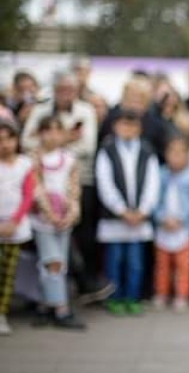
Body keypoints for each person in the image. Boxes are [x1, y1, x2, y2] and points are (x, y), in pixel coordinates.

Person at [21, 70, 109, 304]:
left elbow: (87, 147)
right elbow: (26, 142)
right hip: (44, 187)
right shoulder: (41, 111)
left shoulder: (85, 111)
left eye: (70, 90)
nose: (65, 95)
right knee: (45, 244)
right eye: (61, 90)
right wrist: (68, 139)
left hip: (76, 182)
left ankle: (70, 291)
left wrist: (54, 144)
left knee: (75, 236)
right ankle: (47, 297)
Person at [95, 109, 160, 316]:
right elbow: (105, 183)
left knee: (135, 263)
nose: (128, 129)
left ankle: (132, 297)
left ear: (139, 128)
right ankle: (114, 298)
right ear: (116, 126)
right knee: (114, 260)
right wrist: (121, 210)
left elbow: (152, 183)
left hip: (139, 219)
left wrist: (143, 210)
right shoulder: (107, 149)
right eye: (124, 124)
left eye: (133, 125)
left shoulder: (147, 150)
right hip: (115, 219)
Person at [29, 116, 86, 330]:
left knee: (57, 264)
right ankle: (62, 309)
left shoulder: (69, 159)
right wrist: (49, 214)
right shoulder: (34, 159)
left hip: (64, 220)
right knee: (52, 261)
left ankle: (45, 304)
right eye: (48, 130)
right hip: (43, 220)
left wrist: (69, 214)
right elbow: (36, 189)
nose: (53, 135)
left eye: (57, 130)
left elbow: (73, 190)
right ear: (40, 133)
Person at [153, 137, 189, 312]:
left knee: (184, 265)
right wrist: (161, 218)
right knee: (162, 264)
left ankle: (182, 294)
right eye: (172, 152)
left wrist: (180, 219)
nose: (176, 157)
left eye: (181, 153)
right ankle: (161, 293)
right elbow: (155, 200)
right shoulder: (161, 174)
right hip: (164, 226)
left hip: (184, 227)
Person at [0, 119, 34, 336]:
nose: (4, 144)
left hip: (15, 227)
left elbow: (28, 195)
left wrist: (14, 221)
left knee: (7, 274)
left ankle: (2, 312)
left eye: (8, 139)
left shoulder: (24, 164)